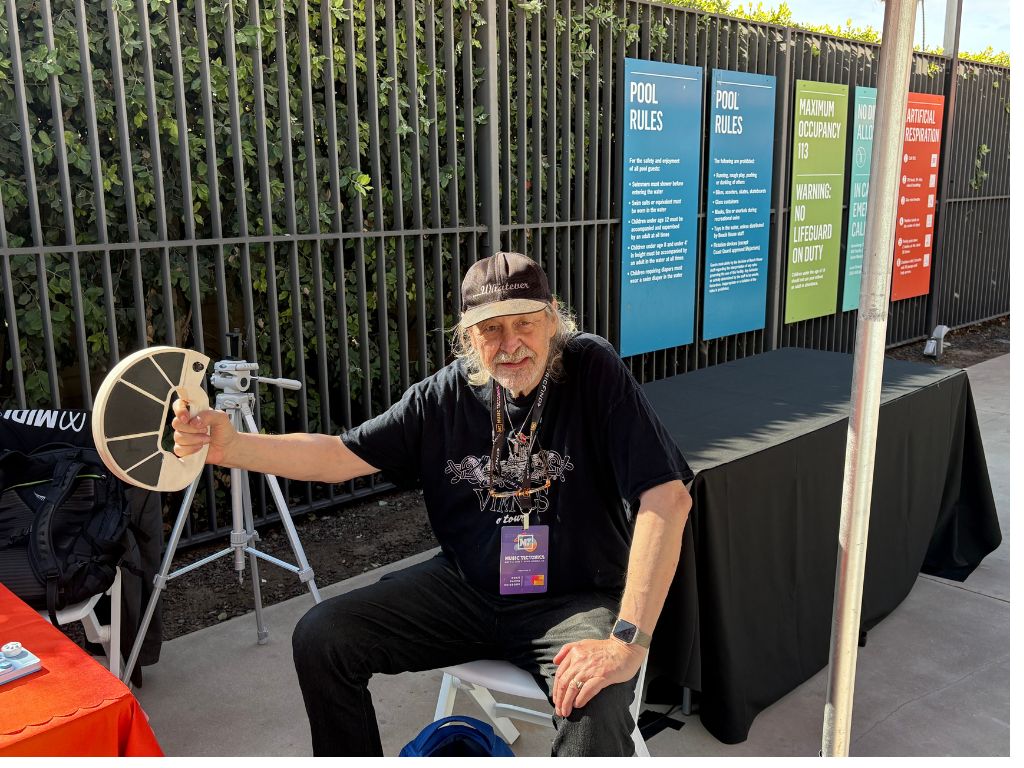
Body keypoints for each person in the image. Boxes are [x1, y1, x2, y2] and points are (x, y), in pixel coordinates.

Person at [171, 252, 693, 756]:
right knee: (322, 635)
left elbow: (667, 498)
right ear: (468, 336)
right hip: (466, 591)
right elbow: (338, 454)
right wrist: (233, 447)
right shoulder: (442, 396)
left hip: (573, 600)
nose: (510, 344)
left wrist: (626, 640)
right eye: (490, 329)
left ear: (553, 319)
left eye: (524, 323)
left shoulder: (590, 369)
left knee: (593, 698)